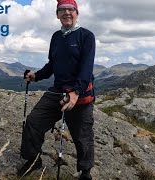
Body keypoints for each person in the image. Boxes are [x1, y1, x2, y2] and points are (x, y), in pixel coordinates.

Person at [17, 0, 95, 179]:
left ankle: (85, 172)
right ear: (57, 14)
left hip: (79, 94)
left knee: (83, 136)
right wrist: (36, 76)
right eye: (62, 9)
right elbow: (53, 64)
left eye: (70, 9)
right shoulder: (56, 37)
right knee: (33, 122)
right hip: (58, 90)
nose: (67, 12)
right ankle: (33, 160)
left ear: (77, 13)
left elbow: (86, 68)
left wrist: (75, 93)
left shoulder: (86, 36)